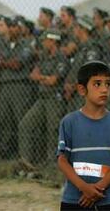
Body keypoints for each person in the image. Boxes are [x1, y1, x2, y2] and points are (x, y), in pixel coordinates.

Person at [57, 61, 110, 210]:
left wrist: (98, 189)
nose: (104, 89)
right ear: (82, 90)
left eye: (108, 84)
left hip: (109, 199)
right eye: (97, 84)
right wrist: (84, 188)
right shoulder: (69, 122)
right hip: (75, 199)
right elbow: (62, 161)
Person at [18, 29, 68, 165]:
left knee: (53, 131)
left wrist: (40, 77)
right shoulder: (44, 57)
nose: (43, 43)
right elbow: (32, 75)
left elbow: (53, 80)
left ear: (53, 41)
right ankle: (25, 160)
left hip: (54, 99)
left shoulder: (61, 58)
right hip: (42, 98)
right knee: (25, 124)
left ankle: (53, 164)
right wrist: (43, 78)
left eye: (45, 40)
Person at [0, 18, 34, 158]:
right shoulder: (4, 44)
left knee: (20, 119)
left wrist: (4, 63)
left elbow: (18, 64)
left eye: (14, 27)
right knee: (5, 118)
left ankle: (24, 154)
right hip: (5, 85)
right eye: (10, 27)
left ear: (19, 29)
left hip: (20, 86)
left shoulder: (26, 45)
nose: (11, 30)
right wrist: (8, 63)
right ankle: (7, 152)